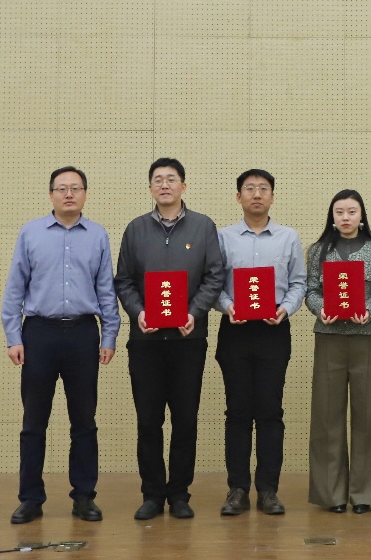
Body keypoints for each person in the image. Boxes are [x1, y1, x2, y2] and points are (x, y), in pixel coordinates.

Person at [0, 166, 121, 525]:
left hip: (83, 334)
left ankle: (84, 497)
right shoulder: (31, 233)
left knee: (84, 421)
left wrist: (109, 336)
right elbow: (15, 288)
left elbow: (106, 289)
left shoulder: (97, 235)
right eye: (62, 188)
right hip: (39, 334)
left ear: (85, 194)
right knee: (33, 422)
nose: (69, 194)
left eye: (75, 188)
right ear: (51, 194)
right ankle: (30, 498)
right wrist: (13, 337)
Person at [115, 158, 224, 520]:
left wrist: (194, 312)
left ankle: (179, 493)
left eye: (171, 179)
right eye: (158, 180)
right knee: (148, 421)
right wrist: (138, 312)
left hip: (187, 339)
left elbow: (214, 276)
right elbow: (124, 281)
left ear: (183, 186)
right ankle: (151, 494)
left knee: (185, 420)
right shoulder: (135, 229)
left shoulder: (203, 227)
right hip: (145, 341)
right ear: (150, 188)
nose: (165, 185)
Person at [214, 169, 306, 517]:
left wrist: (286, 308)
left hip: (273, 331)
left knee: (270, 412)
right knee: (237, 413)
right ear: (238, 196)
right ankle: (237, 489)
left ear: (272, 196)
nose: (256, 194)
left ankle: (268, 489)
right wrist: (228, 305)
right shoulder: (223, 237)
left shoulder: (288, 237)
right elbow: (213, 284)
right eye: (249, 189)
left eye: (263, 189)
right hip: (235, 330)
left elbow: (298, 282)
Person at [304, 190, 371, 515]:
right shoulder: (318, 251)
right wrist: (320, 309)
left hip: (366, 338)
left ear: (361, 216)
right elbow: (311, 291)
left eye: (351, 211)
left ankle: (365, 491)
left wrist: (370, 310)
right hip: (329, 338)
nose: (345, 217)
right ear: (332, 216)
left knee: (368, 414)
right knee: (327, 416)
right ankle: (332, 493)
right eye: (339, 211)